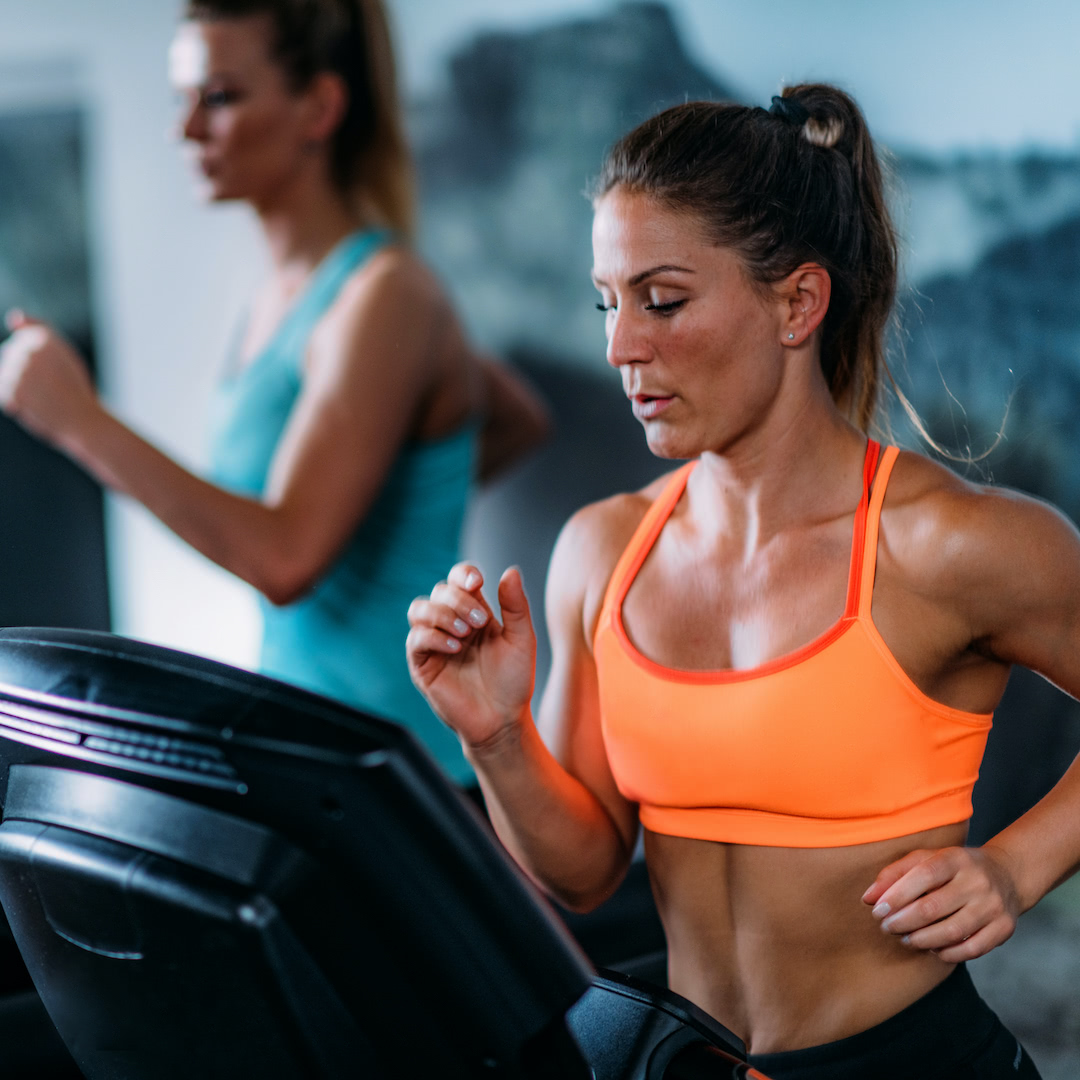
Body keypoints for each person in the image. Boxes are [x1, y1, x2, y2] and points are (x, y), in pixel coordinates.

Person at [405, 85, 1078, 1077]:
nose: (620, 346)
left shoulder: (948, 545)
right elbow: (586, 873)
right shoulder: (603, 552)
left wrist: (1016, 870)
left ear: (798, 302)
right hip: (690, 1059)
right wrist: (495, 734)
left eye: (663, 299)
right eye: (607, 301)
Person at [0, 0, 548, 786]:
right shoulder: (293, 299)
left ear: (319, 108)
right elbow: (518, 417)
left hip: (402, 778)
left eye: (218, 98)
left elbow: (283, 557)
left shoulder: (387, 295)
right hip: (308, 755)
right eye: (182, 100)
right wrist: (382, 494)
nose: (184, 130)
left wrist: (79, 421)